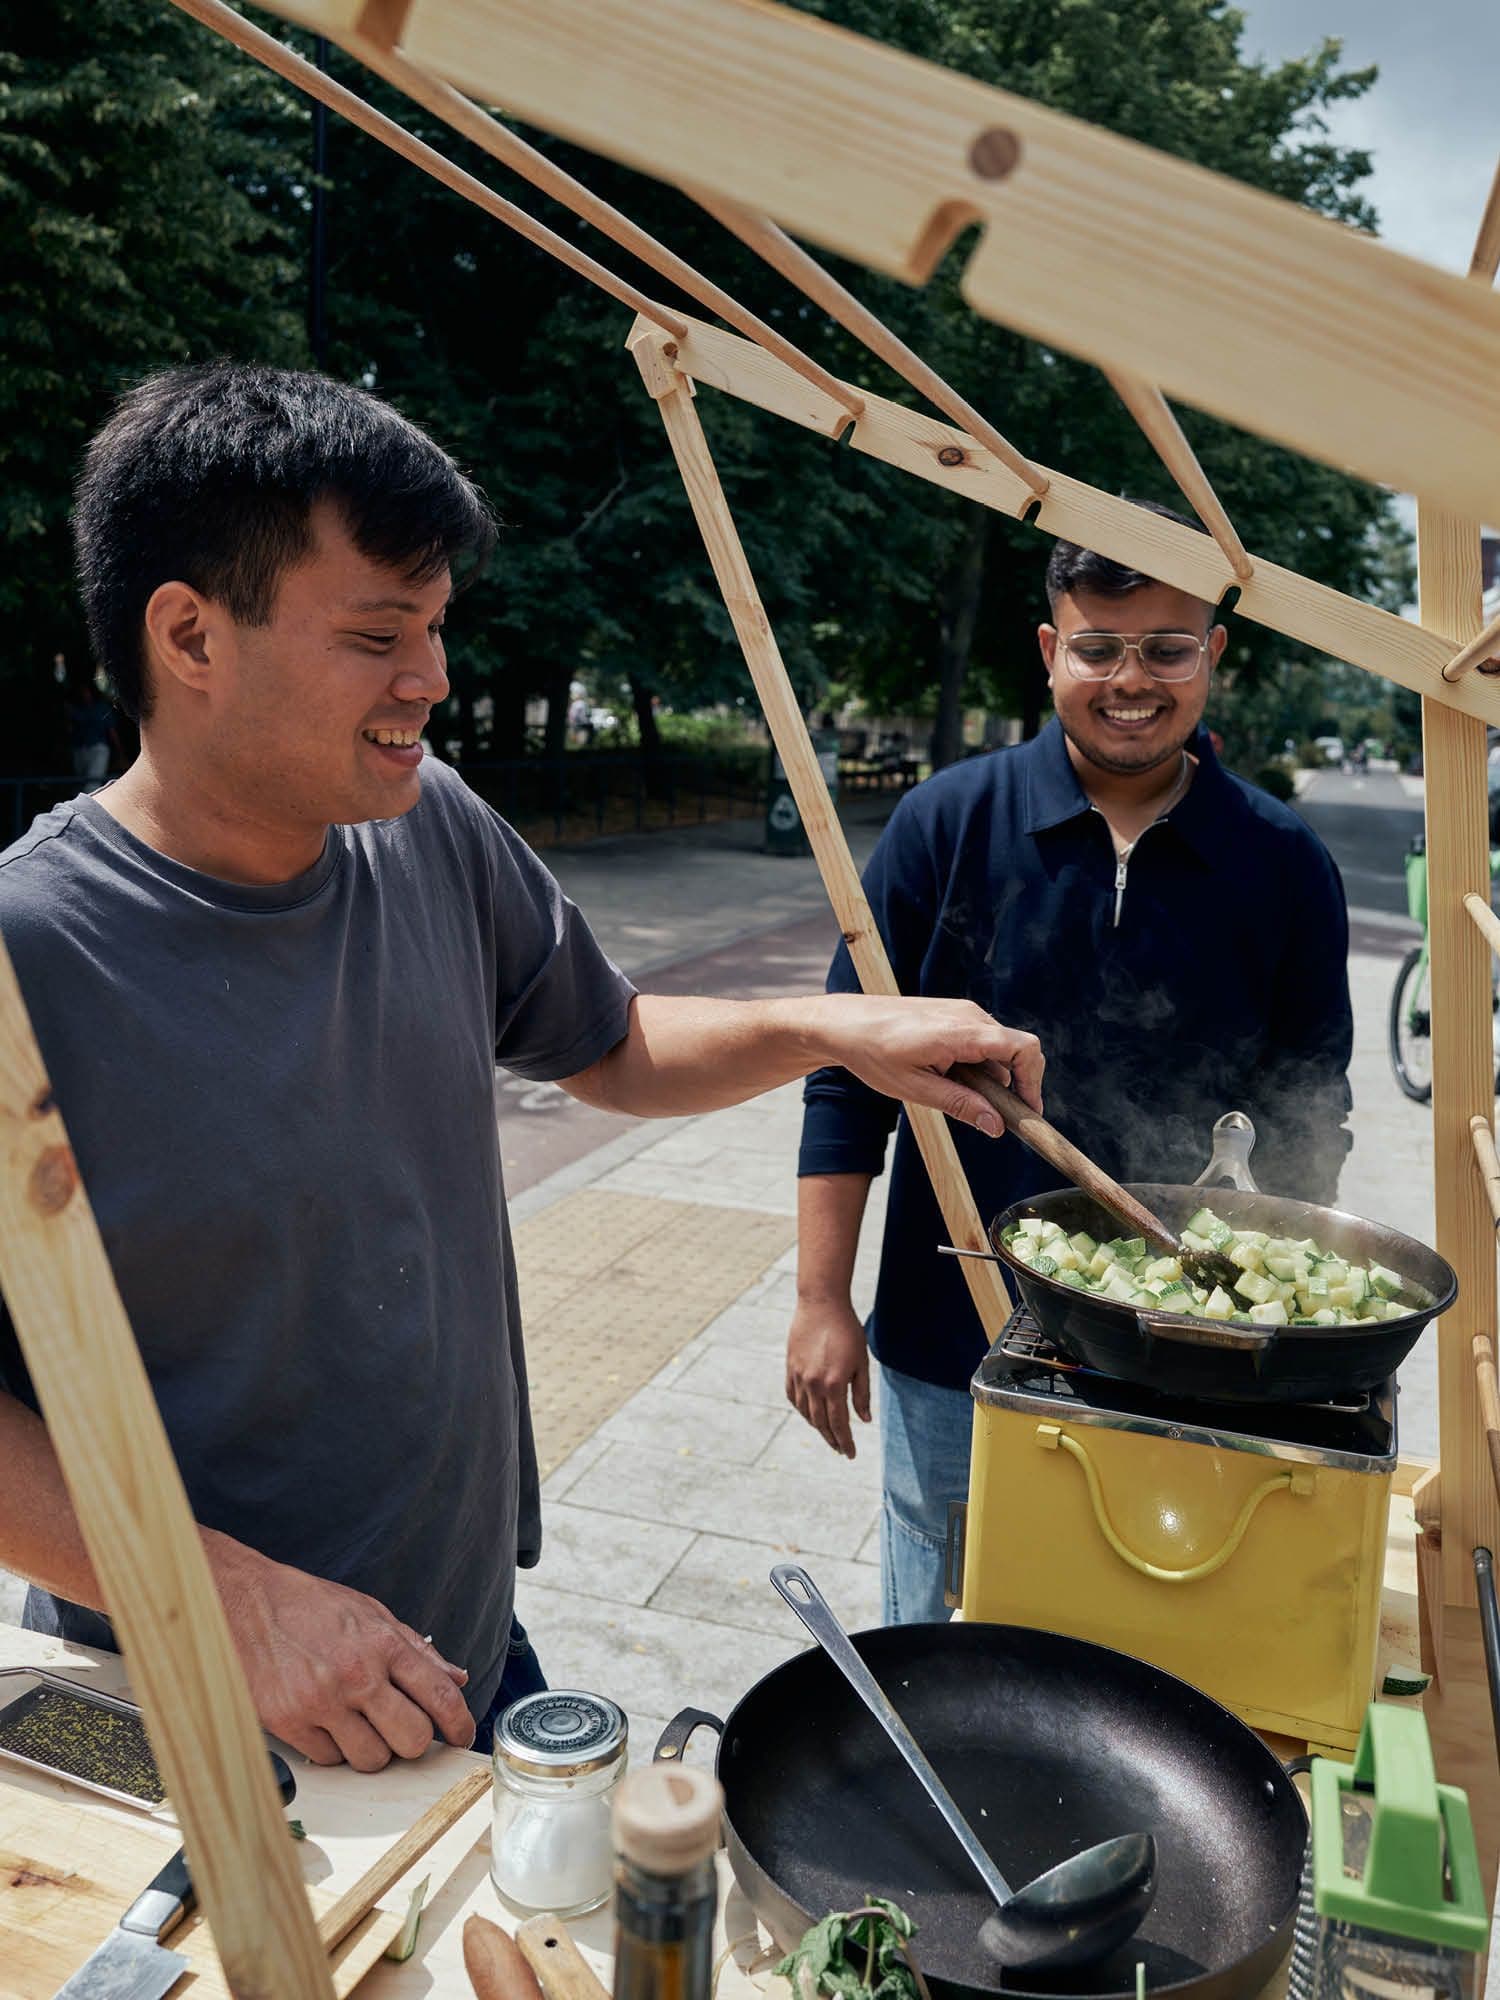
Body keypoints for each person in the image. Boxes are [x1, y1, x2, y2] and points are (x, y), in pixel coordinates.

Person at [0, 363, 1044, 1771]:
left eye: (434, 630)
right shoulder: (29, 953)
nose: (432, 681)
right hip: (192, 1691)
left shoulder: (428, 825)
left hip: (460, 1643)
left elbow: (607, 1043)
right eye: (379, 635)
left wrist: (836, 1026)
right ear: (190, 635)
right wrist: (229, 1603)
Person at [786, 504, 1353, 1623]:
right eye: (1099, 646)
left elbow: (1309, 1104)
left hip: (1171, 1339)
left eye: (1166, 647)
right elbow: (846, 1078)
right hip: (947, 1321)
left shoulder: (1282, 863)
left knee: (1129, 1618)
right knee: (936, 1602)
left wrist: (1282, 1322)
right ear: (1052, 651)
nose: (1130, 679)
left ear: (1214, 656)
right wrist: (818, 1296)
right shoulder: (944, 825)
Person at [62, 672, 118, 790]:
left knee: (92, 785)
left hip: (98, 748)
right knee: (80, 783)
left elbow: (111, 731)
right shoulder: (75, 709)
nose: (84, 694)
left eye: (85, 691)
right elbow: (70, 730)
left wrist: (119, 752)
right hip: (80, 748)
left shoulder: (102, 708)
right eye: (81, 691)